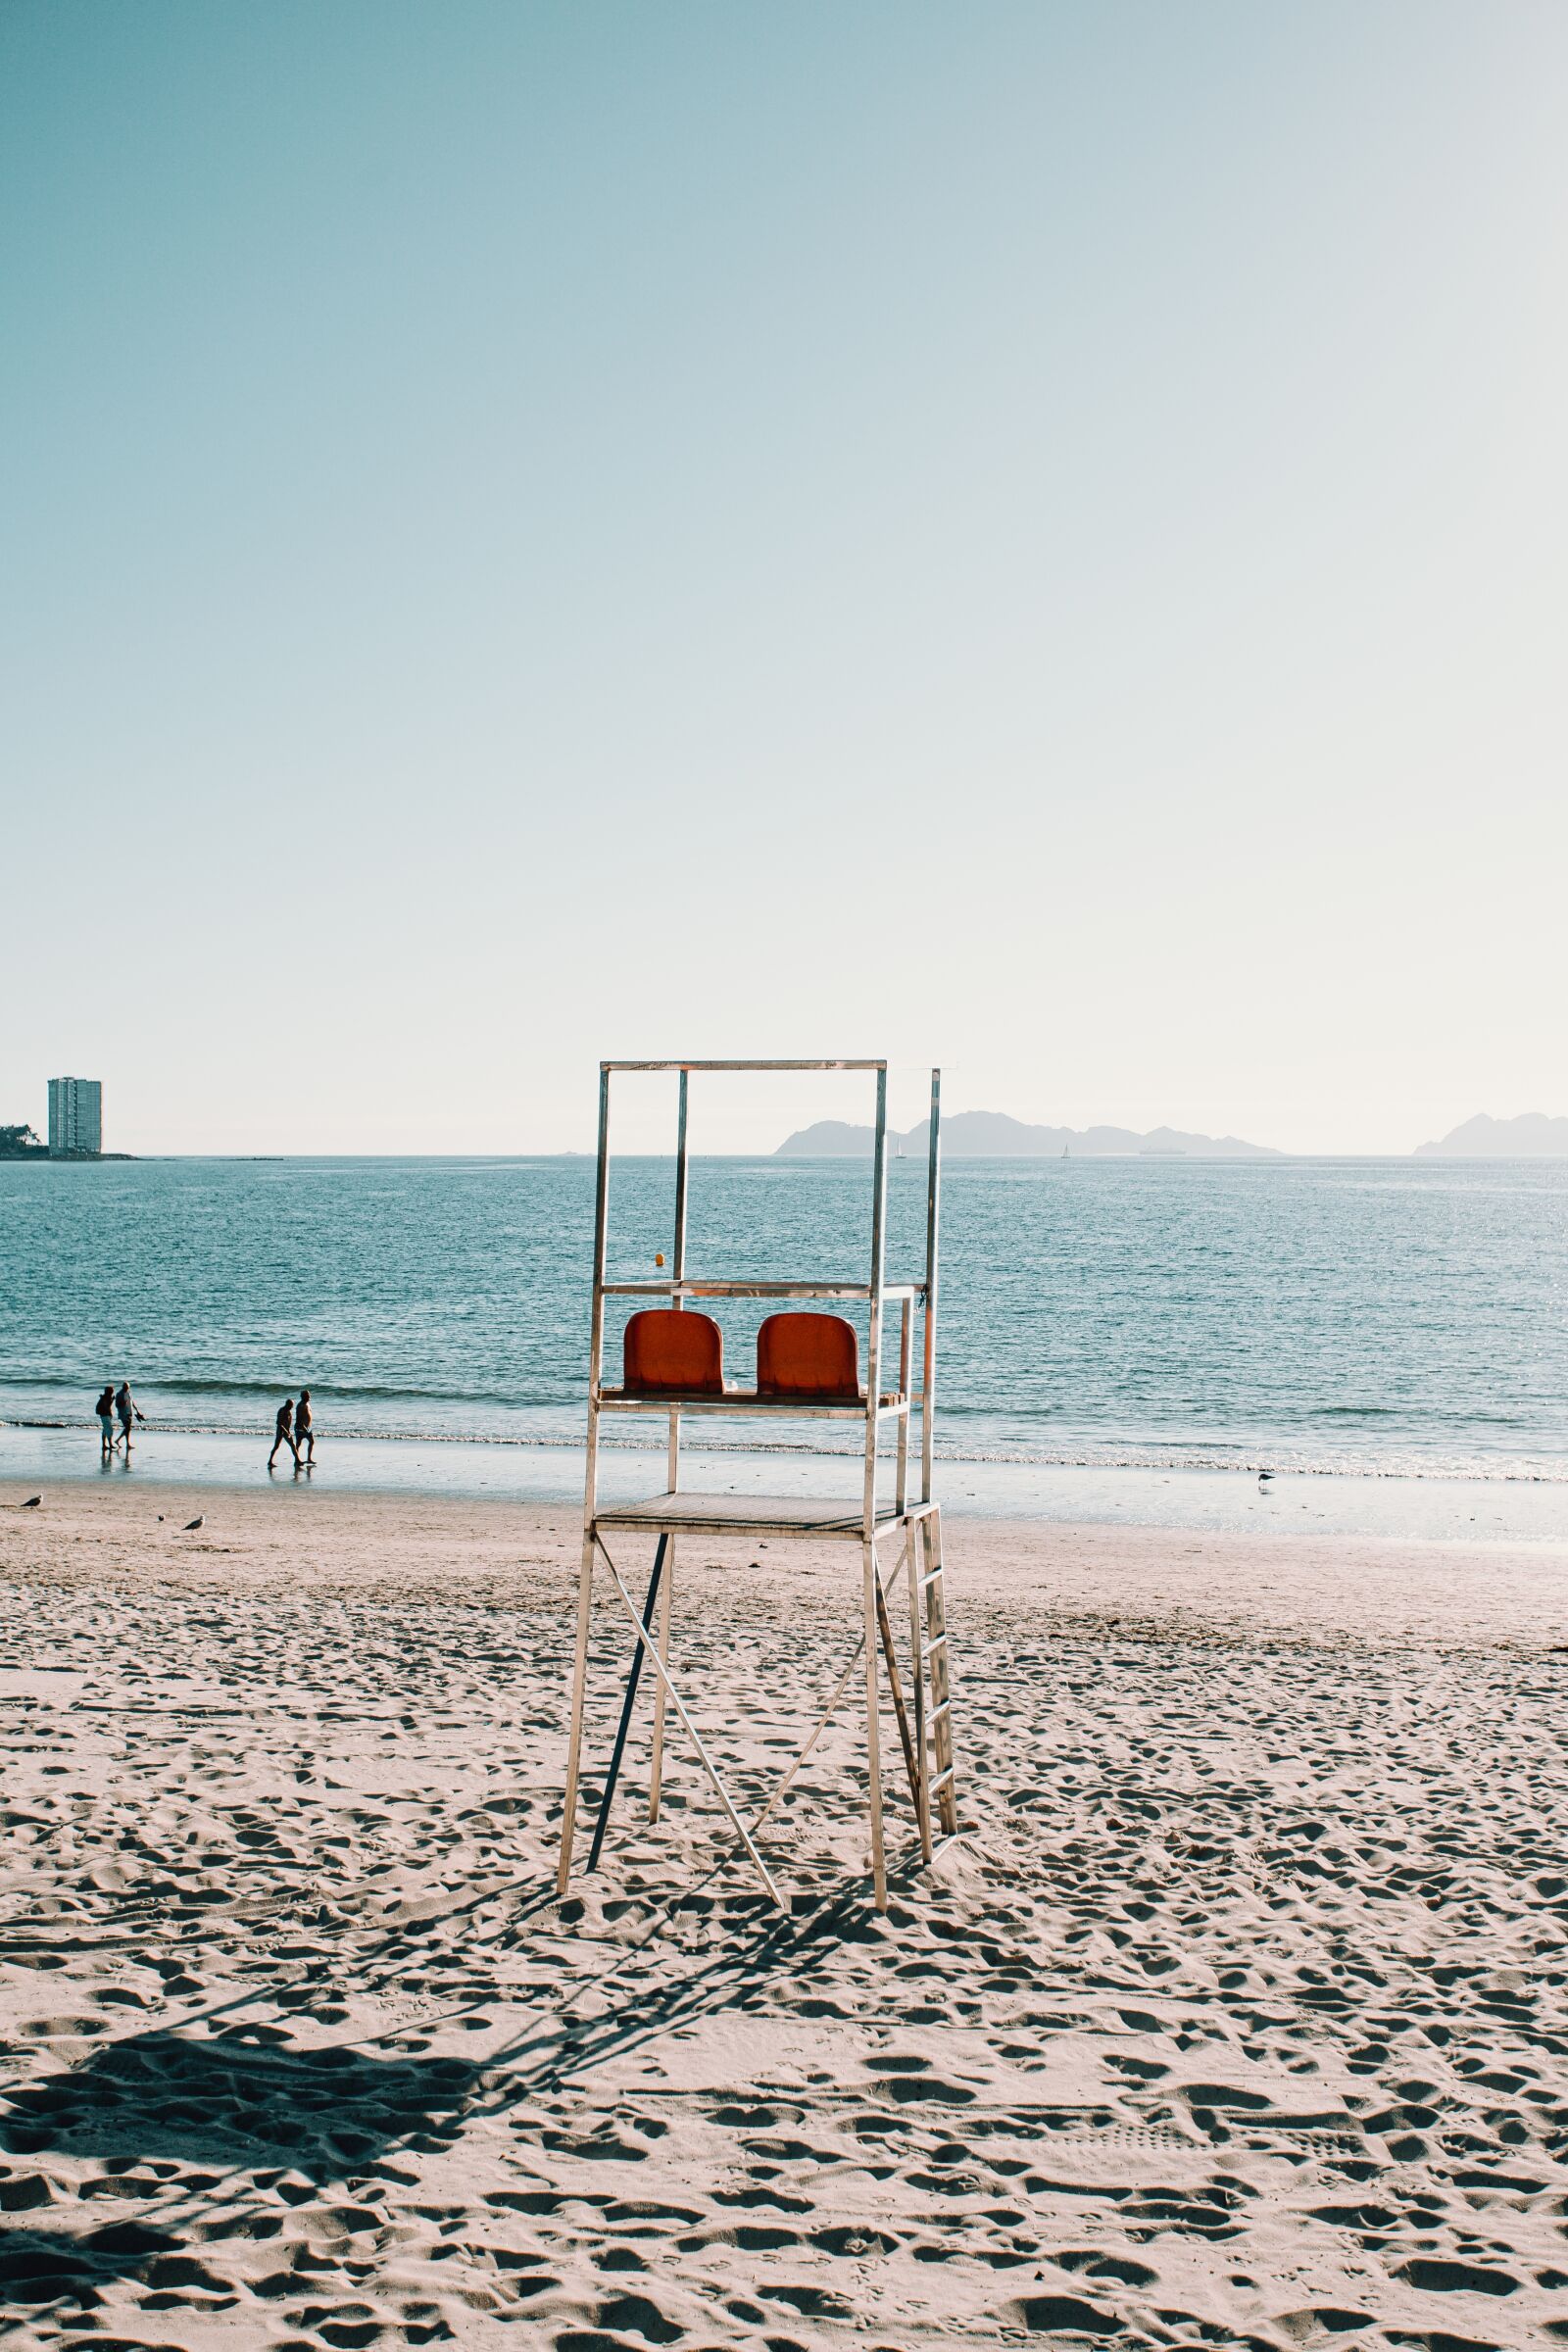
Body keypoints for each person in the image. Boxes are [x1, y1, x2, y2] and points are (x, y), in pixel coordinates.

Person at [269, 1396, 298, 1469]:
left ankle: (297, 1460)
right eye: (291, 1405)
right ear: (287, 1404)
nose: (292, 1407)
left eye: (292, 1405)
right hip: (280, 1431)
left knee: (292, 1445)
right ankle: (270, 1461)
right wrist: (286, 1432)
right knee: (276, 1446)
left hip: (287, 1431)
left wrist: (288, 1431)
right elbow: (279, 1423)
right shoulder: (282, 1410)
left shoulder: (288, 1411)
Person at [115, 1381, 145, 1452]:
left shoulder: (129, 1392)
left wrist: (137, 1410)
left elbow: (132, 1402)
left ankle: (119, 1441)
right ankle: (126, 1444)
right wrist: (122, 1403)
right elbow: (117, 1405)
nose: (126, 1389)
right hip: (123, 1413)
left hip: (130, 1412)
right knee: (128, 1428)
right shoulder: (119, 1394)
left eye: (127, 1388)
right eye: (125, 1388)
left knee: (128, 1429)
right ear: (123, 1387)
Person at [95, 1385, 118, 1456]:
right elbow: (106, 1407)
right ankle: (110, 1444)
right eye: (112, 1391)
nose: (112, 1392)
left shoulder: (106, 1397)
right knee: (109, 1429)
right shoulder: (104, 1398)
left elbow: (108, 1406)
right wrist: (111, 1400)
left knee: (105, 1430)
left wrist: (112, 1400)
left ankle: (104, 1445)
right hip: (105, 1415)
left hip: (106, 1415)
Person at [294, 1388, 316, 1464]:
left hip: (308, 1428)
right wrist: (303, 1427)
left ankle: (309, 1458)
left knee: (312, 1442)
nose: (309, 1396)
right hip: (301, 1428)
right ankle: (296, 1460)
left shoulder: (307, 1404)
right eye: (308, 1395)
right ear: (303, 1396)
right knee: (298, 1444)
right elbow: (298, 1418)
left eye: (309, 1395)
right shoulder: (301, 1405)